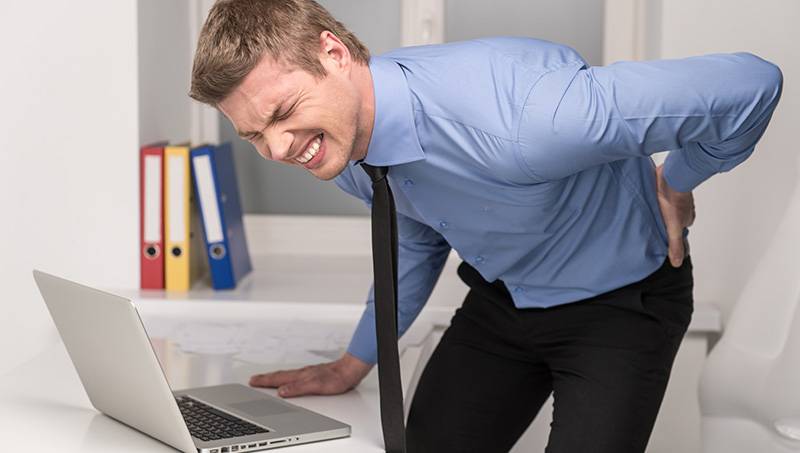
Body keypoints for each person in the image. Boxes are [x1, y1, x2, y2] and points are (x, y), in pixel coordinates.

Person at [189, 1, 783, 452]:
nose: (278, 149)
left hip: (622, 303)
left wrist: (675, 183)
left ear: (333, 54)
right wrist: (355, 361)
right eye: (254, 135)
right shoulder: (338, 147)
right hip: (503, 302)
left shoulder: (530, 118)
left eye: (283, 114)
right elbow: (414, 238)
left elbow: (750, 86)